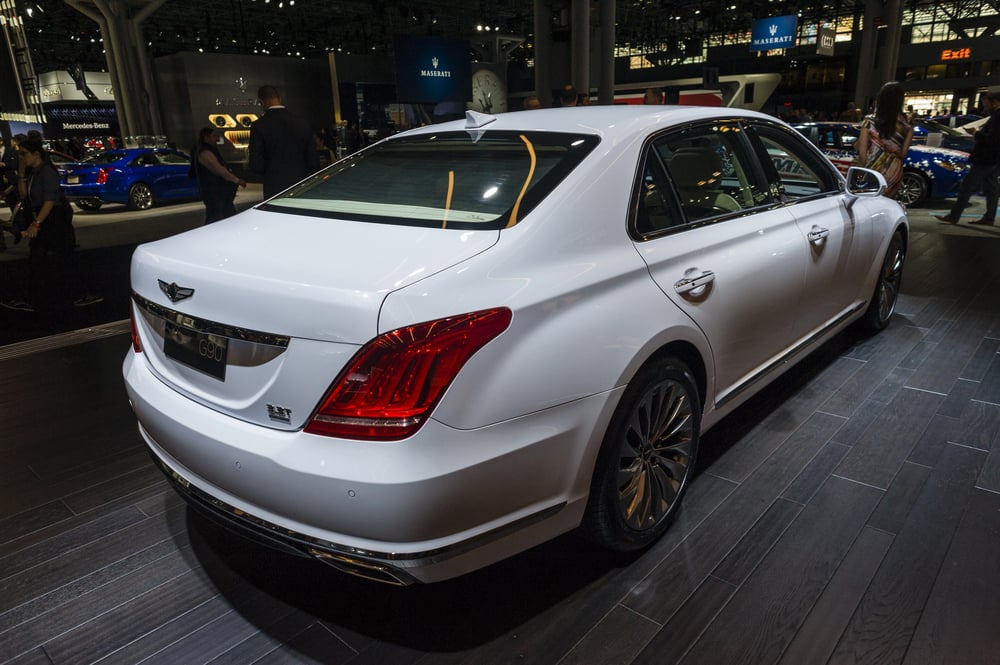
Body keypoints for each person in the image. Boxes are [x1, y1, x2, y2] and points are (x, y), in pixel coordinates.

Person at [1, 137, 101, 311]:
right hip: (45, 219)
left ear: (36, 154)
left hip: (54, 220)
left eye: (24, 154)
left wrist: (36, 223)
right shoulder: (33, 172)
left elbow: (50, 201)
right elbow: (25, 196)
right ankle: (35, 298)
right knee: (41, 259)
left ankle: (78, 294)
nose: (21, 158)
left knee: (61, 258)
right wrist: (22, 174)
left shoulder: (46, 172)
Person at [936, 91, 1000, 225]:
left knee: (967, 187)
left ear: (994, 102)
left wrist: (975, 133)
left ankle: (954, 216)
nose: (984, 107)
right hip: (992, 159)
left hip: (985, 159)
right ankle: (989, 217)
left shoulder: (997, 117)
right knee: (991, 189)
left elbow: (992, 139)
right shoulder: (995, 116)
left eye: (985, 104)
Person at [248, 85, 319, 198]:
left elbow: (256, 163)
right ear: (280, 98)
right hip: (302, 183)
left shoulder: (259, 125)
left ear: (261, 102)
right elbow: (313, 159)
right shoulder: (302, 122)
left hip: (274, 185)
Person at [856, 81, 914, 198]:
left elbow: (862, 155)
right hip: (894, 173)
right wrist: (892, 149)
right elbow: (903, 155)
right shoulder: (907, 125)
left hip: (873, 170)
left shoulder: (869, 121)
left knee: (868, 205)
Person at [191, 127, 246, 224]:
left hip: (215, 191)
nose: (217, 139)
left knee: (218, 215)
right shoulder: (205, 152)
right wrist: (236, 180)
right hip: (214, 191)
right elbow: (219, 170)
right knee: (217, 216)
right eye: (214, 136)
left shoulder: (207, 150)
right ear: (206, 138)